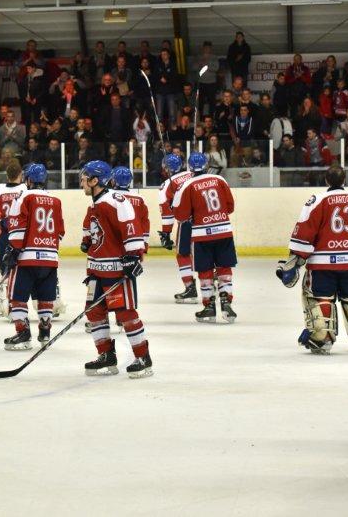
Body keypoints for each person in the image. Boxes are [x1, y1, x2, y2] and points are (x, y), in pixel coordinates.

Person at [277, 165, 348, 354]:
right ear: (344, 181)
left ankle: (322, 338)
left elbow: (305, 232)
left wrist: (296, 260)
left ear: (326, 181)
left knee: (320, 300)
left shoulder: (316, 200)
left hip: (322, 266)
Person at [79, 160, 150, 377]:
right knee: (93, 312)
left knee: (126, 313)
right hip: (96, 270)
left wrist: (132, 257)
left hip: (116, 270)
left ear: (95, 180)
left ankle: (143, 357)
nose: (81, 182)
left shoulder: (116, 201)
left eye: (84, 179)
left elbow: (131, 228)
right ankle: (106, 355)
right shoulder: (95, 204)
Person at [2, 163, 65, 350]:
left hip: (27, 258)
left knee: (16, 297)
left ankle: (23, 333)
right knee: (46, 295)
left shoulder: (22, 197)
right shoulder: (55, 200)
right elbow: (59, 233)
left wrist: (13, 249)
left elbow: (17, 227)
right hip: (50, 258)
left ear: (28, 180)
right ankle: (45, 331)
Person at [173, 152, 237, 323]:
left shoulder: (187, 185)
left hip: (201, 235)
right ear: (207, 165)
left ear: (190, 167)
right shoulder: (220, 180)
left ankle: (209, 307)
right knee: (224, 267)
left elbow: (181, 216)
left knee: (205, 271)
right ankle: (226, 302)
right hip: (224, 230)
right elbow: (230, 207)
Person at [158, 153, 197, 303]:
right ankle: (212, 286)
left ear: (165, 168)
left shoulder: (166, 185)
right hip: (206, 220)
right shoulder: (192, 174)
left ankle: (190, 288)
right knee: (206, 252)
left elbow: (167, 215)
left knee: (183, 254)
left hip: (186, 222)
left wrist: (166, 234)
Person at [0, 161, 27, 319]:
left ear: (7, 175)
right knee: (23, 271)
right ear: (21, 175)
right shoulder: (25, 189)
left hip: (5, 235)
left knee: (5, 272)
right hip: (20, 235)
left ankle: (6, 305)